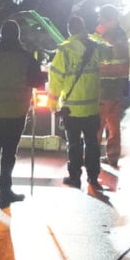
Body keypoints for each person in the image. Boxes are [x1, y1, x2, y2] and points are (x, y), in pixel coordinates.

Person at [0, 19, 46, 208]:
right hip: (16, 112)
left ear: (1, 35)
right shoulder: (25, 57)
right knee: (8, 154)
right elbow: (37, 83)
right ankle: (5, 192)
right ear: (18, 36)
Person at [48, 15, 104, 191]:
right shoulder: (96, 46)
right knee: (92, 143)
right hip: (92, 106)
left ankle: (74, 177)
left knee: (74, 144)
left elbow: (56, 78)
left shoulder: (64, 50)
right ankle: (93, 178)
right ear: (83, 27)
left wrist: (53, 103)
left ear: (69, 29)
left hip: (71, 108)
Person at [94, 4, 129, 168]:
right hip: (118, 87)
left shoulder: (107, 37)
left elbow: (97, 56)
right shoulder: (121, 34)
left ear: (109, 20)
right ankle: (113, 156)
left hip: (105, 86)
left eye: (101, 18)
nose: (99, 20)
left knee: (97, 125)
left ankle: (92, 158)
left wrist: (98, 33)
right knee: (114, 124)